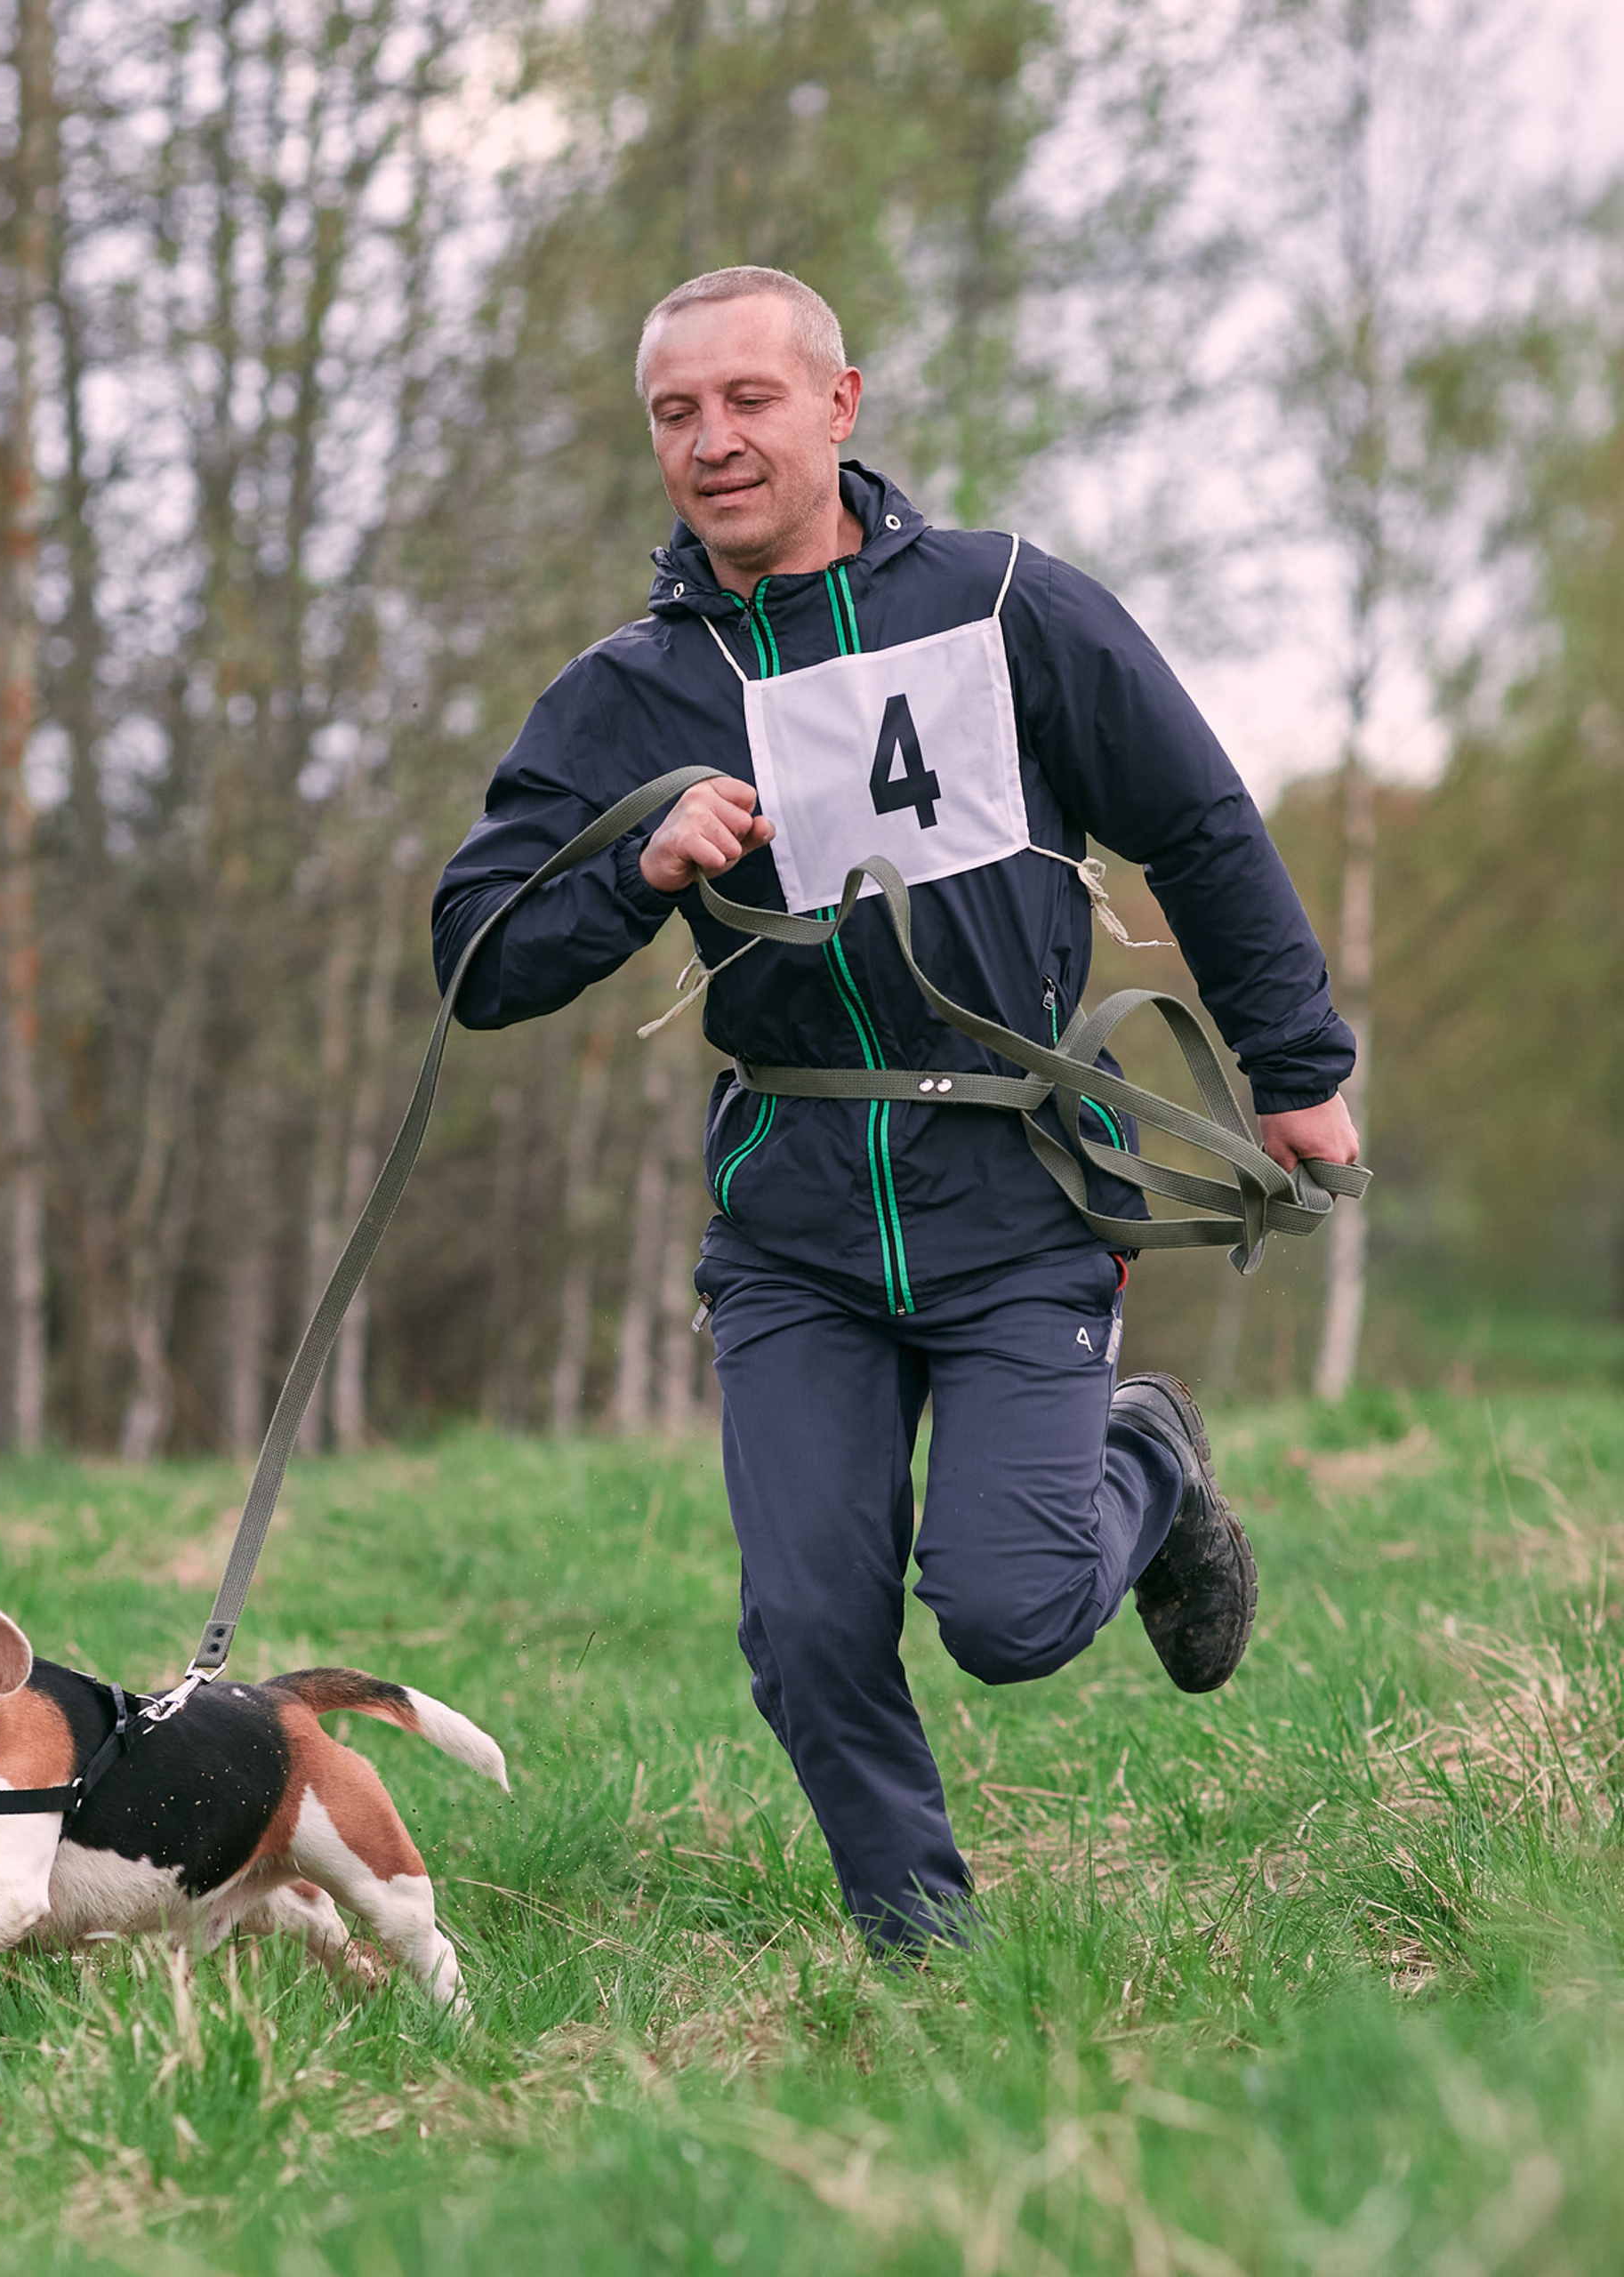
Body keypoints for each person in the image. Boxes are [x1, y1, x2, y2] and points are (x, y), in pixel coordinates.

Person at [430, 266, 1363, 1949]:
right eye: (675, 413)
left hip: (1018, 1192)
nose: (713, 443)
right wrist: (639, 866)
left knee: (1010, 1613)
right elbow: (476, 957)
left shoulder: (1012, 605)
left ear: (839, 406)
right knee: (806, 1626)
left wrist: (1295, 1075)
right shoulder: (626, 690)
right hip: (791, 1222)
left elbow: (1203, 823)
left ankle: (1144, 1456)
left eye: (750, 401)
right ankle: (929, 1955)